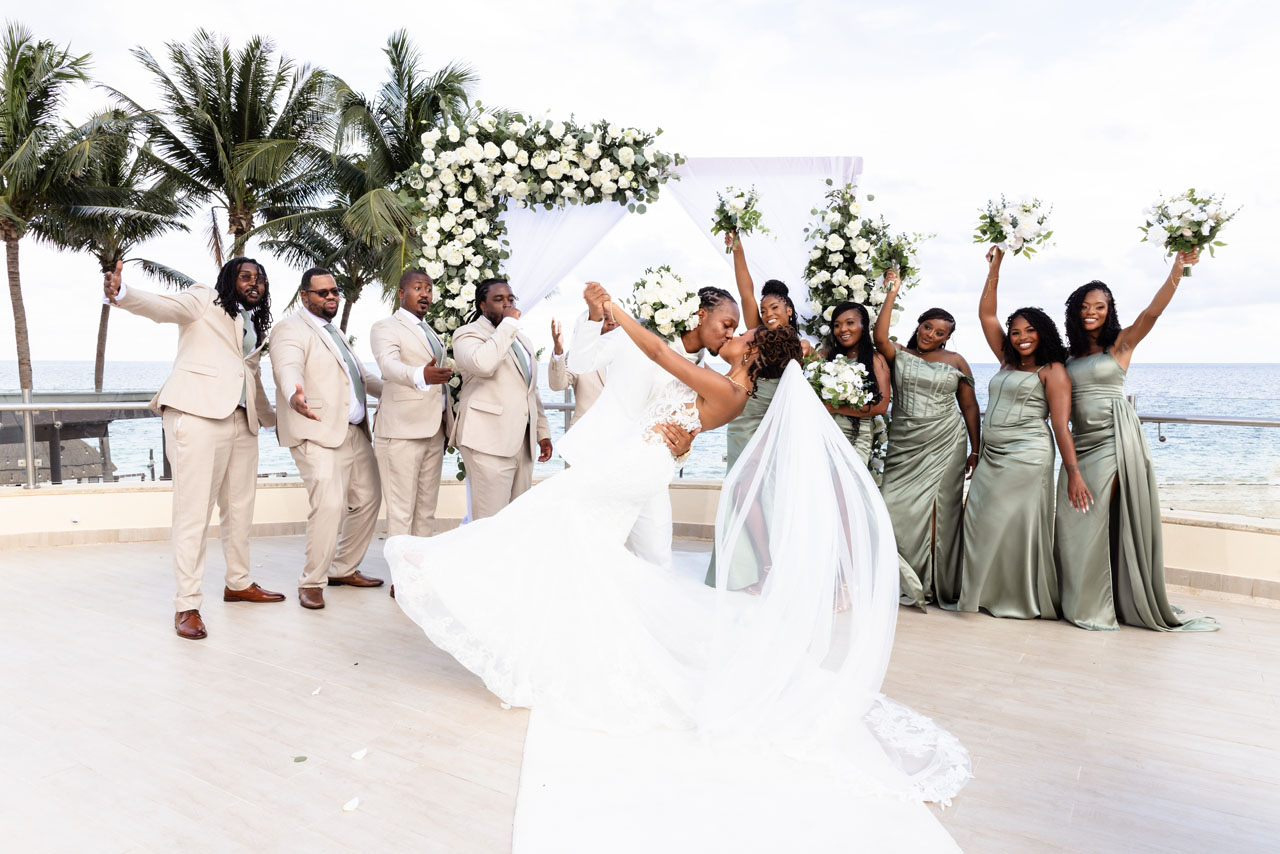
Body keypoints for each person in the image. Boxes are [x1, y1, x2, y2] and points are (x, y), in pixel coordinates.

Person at [383, 283, 970, 844]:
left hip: (636, 466)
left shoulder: (730, 390)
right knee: (571, 541)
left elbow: (661, 352)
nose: (735, 334)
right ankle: (546, 636)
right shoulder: (726, 382)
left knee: (543, 514)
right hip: (639, 463)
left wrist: (618, 307)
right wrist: (612, 322)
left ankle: (438, 564)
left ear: (754, 353)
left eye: (743, 335)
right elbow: (663, 363)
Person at [104, 257, 284, 640]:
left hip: (243, 420)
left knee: (239, 511)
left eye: (260, 279)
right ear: (228, 279)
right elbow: (164, 308)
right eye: (246, 276)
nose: (255, 283)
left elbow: (249, 373)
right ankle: (187, 604)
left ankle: (238, 582)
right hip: (198, 415)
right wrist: (123, 292)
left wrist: (274, 418)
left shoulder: (253, 324)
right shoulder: (204, 299)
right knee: (193, 513)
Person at [1054, 250, 1219, 632]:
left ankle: (1096, 606)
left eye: (1100, 306)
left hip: (1115, 439)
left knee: (1092, 515)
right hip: (1081, 442)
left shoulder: (1122, 344)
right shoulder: (1067, 355)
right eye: (1085, 306)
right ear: (1075, 311)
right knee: (1072, 518)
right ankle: (1079, 597)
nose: (1092, 311)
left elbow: (1152, 313)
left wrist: (1178, 270)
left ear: (1109, 311)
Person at [563, 282, 738, 569]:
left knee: (657, 558)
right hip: (602, 458)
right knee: (588, 552)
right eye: (727, 324)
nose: (730, 334)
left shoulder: (705, 378)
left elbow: (689, 427)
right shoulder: (639, 333)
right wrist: (594, 317)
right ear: (701, 315)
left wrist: (683, 449)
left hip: (648, 473)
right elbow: (581, 363)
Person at [956, 246, 1088, 619]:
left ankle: (1015, 598)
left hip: (1027, 455)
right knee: (979, 519)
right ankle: (980, 593)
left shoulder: (1053, 371)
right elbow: (986, 313)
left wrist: (1073, 473)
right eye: (1015, 332)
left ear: (1042, 333)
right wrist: (995, 267)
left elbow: (1060, 426)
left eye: (1030, 331)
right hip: (992, 454)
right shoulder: (1006, 360)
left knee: (1007, 523)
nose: (1021, 337)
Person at [272, 267, 386, 610]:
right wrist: (294, 393)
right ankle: (312, 581)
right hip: (316, 430)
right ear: (305, 296)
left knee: (369, 497)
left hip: (353, 432)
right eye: (323, 292)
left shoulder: (335, 332)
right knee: (330, 505)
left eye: (334, 291)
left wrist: (414, 384)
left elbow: (362, 379)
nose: (331, 297)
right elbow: (286, 366)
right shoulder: (290, 328)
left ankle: (342, 569)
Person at [873, 270, 981, 610]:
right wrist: (892, 292)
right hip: (905, 442)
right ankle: (899, 577)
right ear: (918, 326)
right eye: (927, 327)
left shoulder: (956, 362)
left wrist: (976, 448)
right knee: (890, 504)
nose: (931, 335)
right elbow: (879, 337)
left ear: (947, 338)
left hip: (946, 441)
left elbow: (969, 405)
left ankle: (936, 584)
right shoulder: (899, 354)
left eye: (939, 333)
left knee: (940, 512)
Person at [451, 279, 551, 520]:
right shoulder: (467, 334)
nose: (507, 305)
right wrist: (508, 324)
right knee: (489, 523)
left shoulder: (521, 340)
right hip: (487, 442)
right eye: (498, 300)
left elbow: (530, 388)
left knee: (516, 522)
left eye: (510, 299)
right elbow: (482, 364)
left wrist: (542, 432)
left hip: (520, 443)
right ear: (482, 304)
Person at [370, 269, 454, 541]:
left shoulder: (429, 331)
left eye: (429, 289)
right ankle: (401, 580)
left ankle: (418, 573)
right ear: (401, 292)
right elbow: (388, 365)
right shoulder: (385, 327)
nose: (426, 294)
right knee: (401, 510)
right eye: (418, 288)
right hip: (401, 430)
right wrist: (420, 375)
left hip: (433, 430)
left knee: (426, 510)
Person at [820, 301, 891, 466]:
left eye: (850, 323)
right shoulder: (825, 358)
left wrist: (834, 407)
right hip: (823, 433)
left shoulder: (876, 360)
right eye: (837, 325)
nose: (843, 329)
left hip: (856, 438)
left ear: (864, 326)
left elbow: (881, 406)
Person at [548, 314, 610, 429]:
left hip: (621, 437)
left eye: (615, 319)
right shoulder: (578, 355)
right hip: (584, 434)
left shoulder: (630, 356)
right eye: (605, 318)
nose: (611, 323)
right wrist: (558, 349)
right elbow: (557, 384)